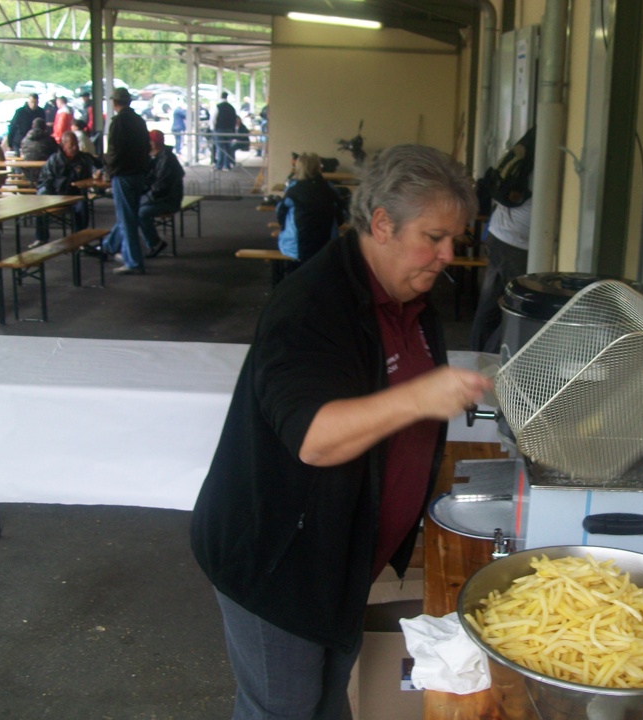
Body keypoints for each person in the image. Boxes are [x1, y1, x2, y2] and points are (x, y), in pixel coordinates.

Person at [190, 144, 490, 720]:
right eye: (434, 237)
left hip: (342, 555)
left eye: (456, 239)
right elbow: (316, 438)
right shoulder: (311, 307)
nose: (448, 254)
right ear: (381, 224)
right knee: (283, 708)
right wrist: (420, 397)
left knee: (327, 701)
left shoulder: (409, 294)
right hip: (278, 558)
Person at [469, 197, 533, 353]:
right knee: (518, 309)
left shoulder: (522, 173)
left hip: (498, 233)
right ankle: (492, 357)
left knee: (488, 306)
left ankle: (478, 356)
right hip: (518, 244)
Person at [100, 87, 151, 275]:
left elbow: (114, 151)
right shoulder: (139, 121)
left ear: (114, 103)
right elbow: (146, 147)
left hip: (123, 175)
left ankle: (133, 261)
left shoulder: (117, 123)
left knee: (126, 218)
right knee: (129, 215)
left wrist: (108, 170)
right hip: (139, 174)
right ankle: (109, 246)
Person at [275, 152, 347, 279]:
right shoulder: (330, 190)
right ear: (319, 167)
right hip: (326, 248)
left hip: (295, 248)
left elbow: (280, 215)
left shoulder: (293, 190)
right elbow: (341, 218)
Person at [32, 131, 97, 247]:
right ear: (63, 146)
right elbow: (46, 181)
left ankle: (80, 238)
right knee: (39, 204)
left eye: (76, 144)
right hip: (55, 194)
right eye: (71, 145)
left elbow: (100, 165)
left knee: (82, 205)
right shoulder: (54, 160)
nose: (75, 147)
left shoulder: (84, 158)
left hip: (76, 195)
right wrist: (49, 196)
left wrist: (98, 173)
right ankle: (41, 238)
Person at [138, 129, 184, 259]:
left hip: (168, 200)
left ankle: (154, 243)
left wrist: (143, 199)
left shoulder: (165, 159)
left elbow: (160, 187)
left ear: (153, 143)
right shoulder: (158, 157)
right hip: (163, 198)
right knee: (135, 211)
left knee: (140, 213)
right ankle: (150, 243)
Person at [18, 117, 59, 185]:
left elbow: (22, 153)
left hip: (28, 172)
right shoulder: (49, 139)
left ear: (33, 126)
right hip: (45, 171)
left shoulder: (25, 140)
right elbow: (56, 152)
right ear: (44, 127)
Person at [212, 91, 237, 171]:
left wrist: (213, 128)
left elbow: (213, 119)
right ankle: (227, 166)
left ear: (221, 97)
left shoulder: (218, 107)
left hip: (219, 130)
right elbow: (234, 120)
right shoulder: (232, 108)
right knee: (227, 147)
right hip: (229, 130)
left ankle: (219, 166)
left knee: (220, 148)